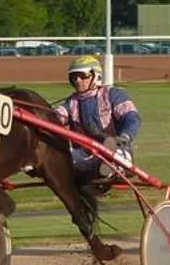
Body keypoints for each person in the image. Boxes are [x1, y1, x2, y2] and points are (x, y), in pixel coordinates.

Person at [53, 53, 141, 199]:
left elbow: (131, 117)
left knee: (113, 150)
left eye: (82, 76)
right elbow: (55, 118)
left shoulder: (113, 95)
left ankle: (112, 165)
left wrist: (125, 136)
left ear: (96, 76)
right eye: (73, 77)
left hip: (117, 148)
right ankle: (102, 167)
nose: (77, 80)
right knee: (64, 157)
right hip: (85, 154)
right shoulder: (71, 102)